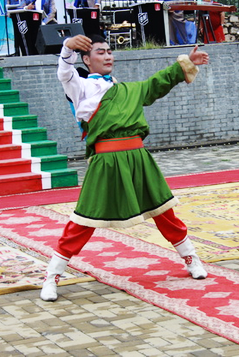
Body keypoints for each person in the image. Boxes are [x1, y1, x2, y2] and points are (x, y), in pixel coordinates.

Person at [41, 34, 210, 302]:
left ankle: (191, 259)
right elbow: (64, 72)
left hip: (138, 157)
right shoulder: (80, 87)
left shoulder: (129, 90)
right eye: (100, 52)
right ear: (87, 59)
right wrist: (66, 48)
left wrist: (187, 62)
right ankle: (53, 276)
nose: (108, 56)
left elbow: (158, 83)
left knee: (164, 212)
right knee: (84, 219)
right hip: (105, 162)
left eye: (110, 51)